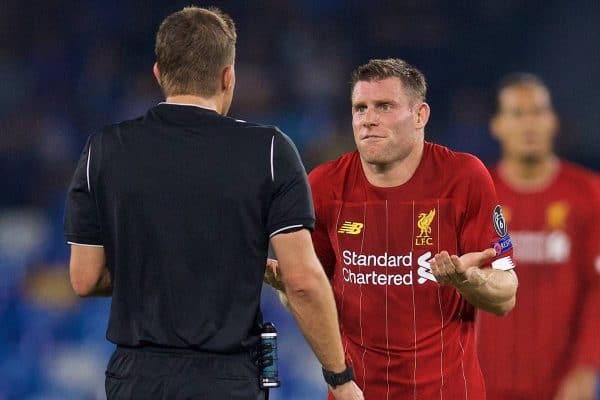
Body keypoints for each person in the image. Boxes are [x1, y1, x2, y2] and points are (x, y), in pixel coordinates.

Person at [64, 6, 363, 400]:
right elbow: (303, 281)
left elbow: (84, 279)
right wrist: (339, 380)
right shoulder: (270, 151)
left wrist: (163, 276)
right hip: (228, 379)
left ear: (159, 73)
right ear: (228, 77)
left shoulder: (103, 149)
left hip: (135, 378)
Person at [266, 58, 518, 399]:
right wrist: (290, 290)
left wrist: (469, 281)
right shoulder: (325, 185)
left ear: (420, 115)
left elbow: (506, 294)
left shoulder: (464, 178)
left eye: (384, 106)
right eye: (360, 108)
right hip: (355, 393)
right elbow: (312, 293)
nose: (368, 119)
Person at [477, 73, 600, 400]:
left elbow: (597, 289)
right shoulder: (475, 195)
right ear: (497, 125)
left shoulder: (589, 195)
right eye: (517, 114)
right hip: (481, 384)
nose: (529, 124)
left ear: (553, 122)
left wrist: (587, 367)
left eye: (538, 112)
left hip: (562, 386)